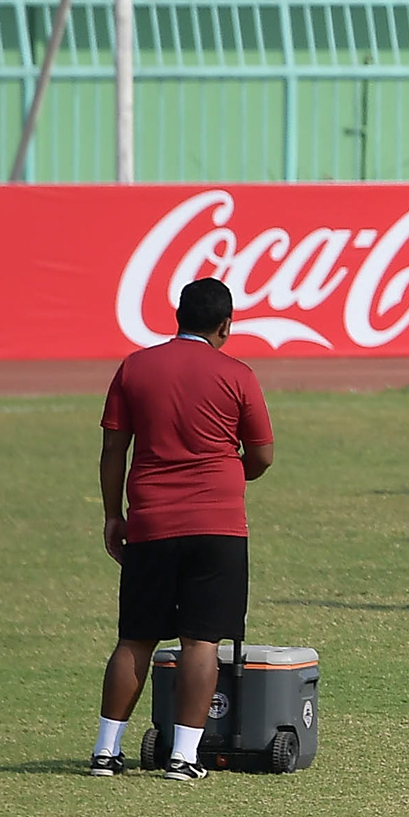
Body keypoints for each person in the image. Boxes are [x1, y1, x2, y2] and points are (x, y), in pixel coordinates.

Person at [93, 276, 275, 780]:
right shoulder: (238, 374)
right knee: (202, 641)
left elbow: (113, 449)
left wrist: (113, 514)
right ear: (225, 326)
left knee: (135, 638)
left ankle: (106, 751)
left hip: (151, 520)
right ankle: (184, 757)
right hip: (218, 526)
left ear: (177, 317)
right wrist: (231, 473)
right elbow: (262, 455)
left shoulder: (135, 367)